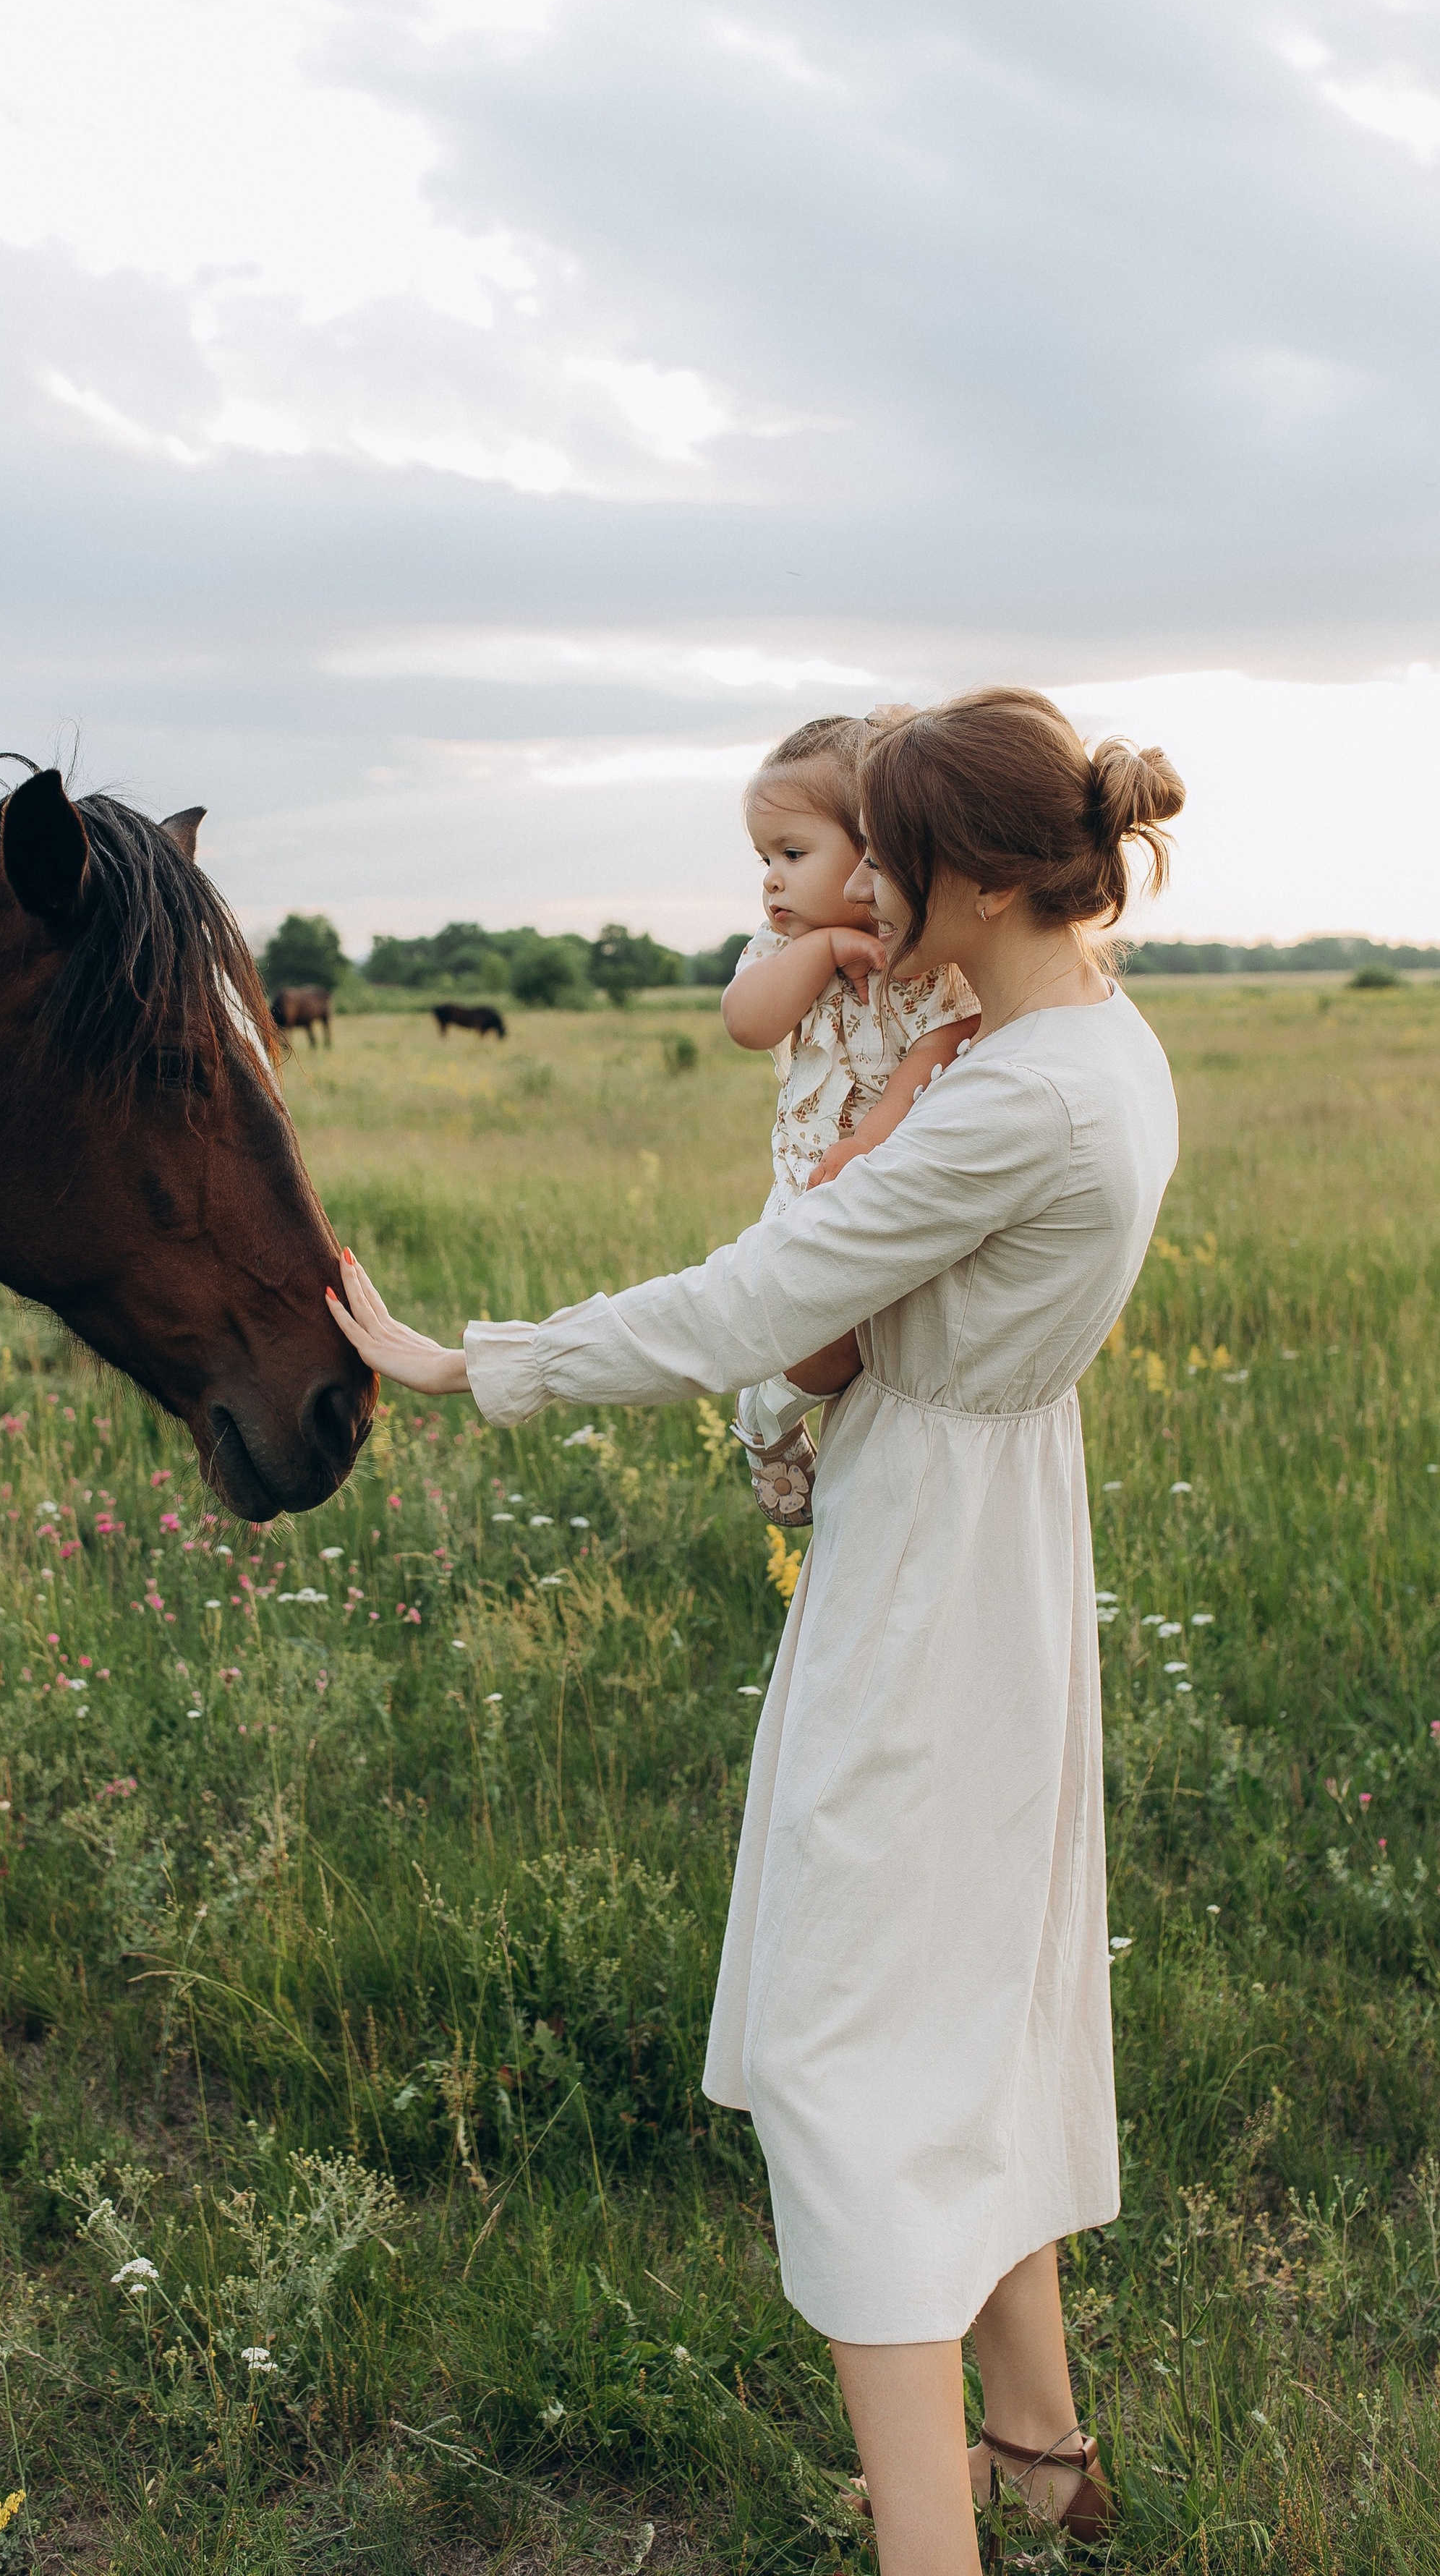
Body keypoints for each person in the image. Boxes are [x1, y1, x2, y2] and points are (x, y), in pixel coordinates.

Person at [326, 686, 1185, 2576]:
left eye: (882, 847)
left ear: (958, 879)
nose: (852, 879)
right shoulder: (1095, 1047)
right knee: (967, 1995)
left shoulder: (1008, 1101)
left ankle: (932, 2549)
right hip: (993, 1524)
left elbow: (764, 1304)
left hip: (935, 1564)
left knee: (841, 2048)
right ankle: (1042, 2451)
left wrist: (476, 1363)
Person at [720, 712, 980, 1524]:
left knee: (874, 1341)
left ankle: (780, 1417)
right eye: (764, 859)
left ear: (877, 849)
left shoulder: (924, 959)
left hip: (887, 1178)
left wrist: (870, 1140)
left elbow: (941, 1045)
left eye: (794, 855)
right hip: (804, 1187)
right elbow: (747, 1024)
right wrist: (822, 950)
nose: (771, 880)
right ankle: (763, 1419)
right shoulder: (777, 954)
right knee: (820, 1336)